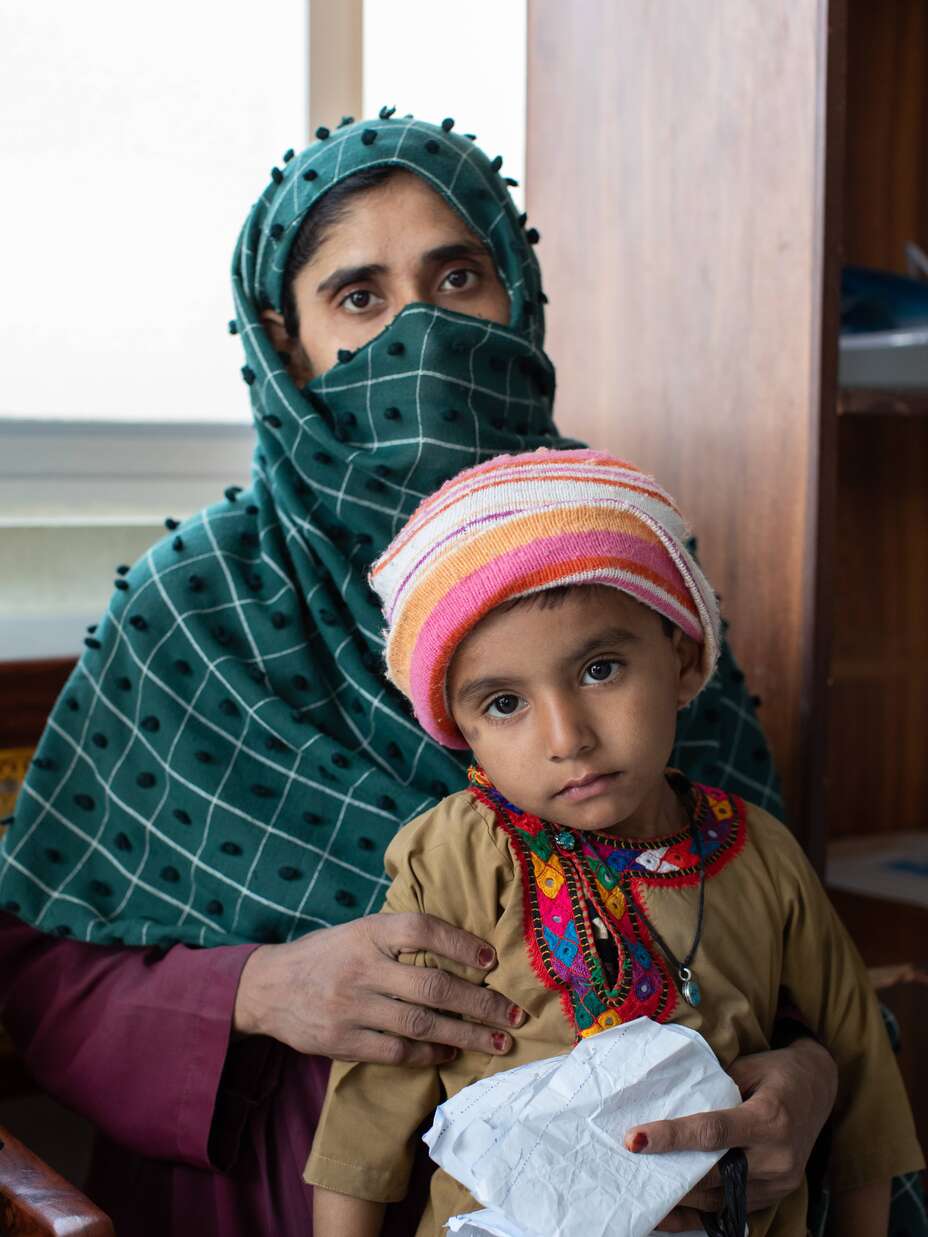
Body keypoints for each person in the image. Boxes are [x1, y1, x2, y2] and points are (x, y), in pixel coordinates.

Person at [0, 114, 864, 1235]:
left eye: (458, 276)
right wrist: (252, 992)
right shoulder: (200, 608)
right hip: (277, 1191)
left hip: (654, 1193)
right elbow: (39, 978)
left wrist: (808, 1082)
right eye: (358, 296)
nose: (420, 333)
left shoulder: (625, 565)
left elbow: (781, 934)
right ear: (284, 341)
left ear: (519, 295)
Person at [306, 447, 923, 1237]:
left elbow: (861, 1082)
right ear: (460, 732)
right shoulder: (454, 854)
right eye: (504, 703)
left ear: (685, 658)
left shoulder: (760, 855)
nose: (567, 738)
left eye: (600, 669)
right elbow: (370, 1106)